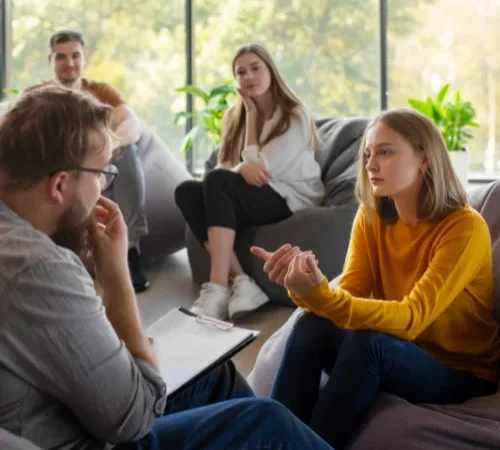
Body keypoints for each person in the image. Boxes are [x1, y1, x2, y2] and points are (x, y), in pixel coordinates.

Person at [0, 87, 337, 450]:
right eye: (101, 174)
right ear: (60, 185)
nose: (104, 190)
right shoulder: (37, 268)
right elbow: (136, 416)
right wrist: (115, 275)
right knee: (268, 424)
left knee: (214, 376)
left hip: (48, 411)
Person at [251, 108, 500, 449]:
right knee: (311, 326)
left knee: (371, 346)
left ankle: (308, 445)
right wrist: (303, 289)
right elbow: (347, 296)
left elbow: (412, 318)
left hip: (459, 370)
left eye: (385, 151)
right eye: (368, 154)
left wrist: (322, 296)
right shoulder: (371, 217)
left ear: (424, 160)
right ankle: (271, 439)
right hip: (399, 350)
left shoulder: (464, 228)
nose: (370, 164)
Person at [175, 43, 324, 320]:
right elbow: (224, 168)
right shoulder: (235, 118)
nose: (248, 76)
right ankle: (242, 279)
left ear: (271, 71)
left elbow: (262, 171)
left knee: (218, 182)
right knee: (187, 191)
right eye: (241, 72)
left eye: (255, 68)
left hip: (289, 196)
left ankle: (218, 287)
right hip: (255, 195)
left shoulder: (294, 114)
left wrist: (253, 123)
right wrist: (247, 125)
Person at [24, 29, 149, 292]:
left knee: (129, 152)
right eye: (61, 57)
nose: (69, 63)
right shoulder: (38, 95)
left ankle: (131, 251)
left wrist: (104, 147)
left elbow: (132, 125)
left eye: (75, 55)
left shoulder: (100, 91)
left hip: (98, 161)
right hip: (57, 165)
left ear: (84, 57)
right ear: (50, 61)